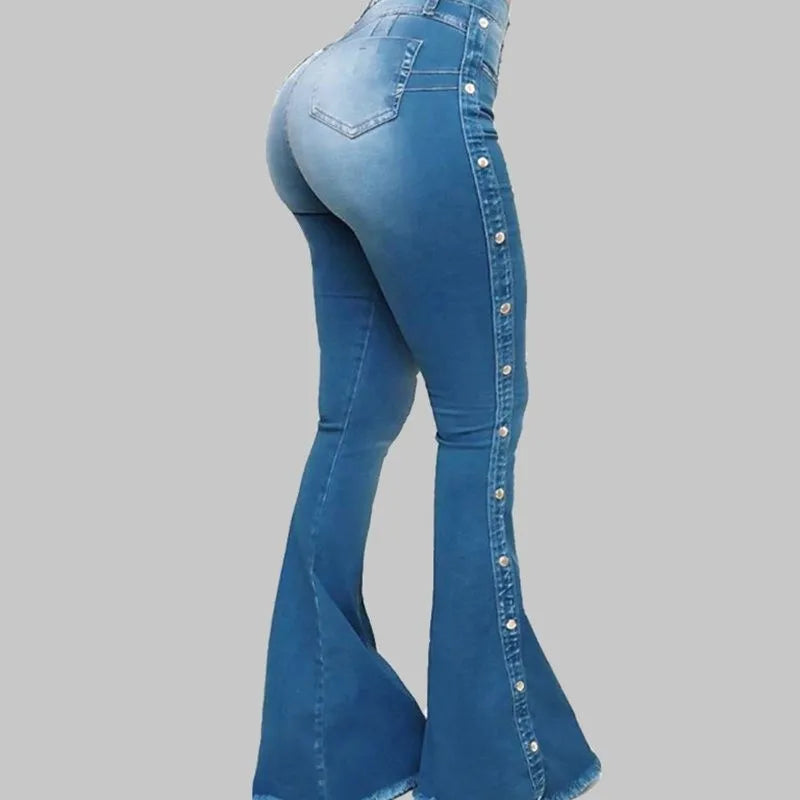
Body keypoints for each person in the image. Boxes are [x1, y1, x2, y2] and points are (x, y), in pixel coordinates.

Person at [252, 2, 601, 799]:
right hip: (411, 83)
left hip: (317, 89)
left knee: (351, 424)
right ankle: (490, 771)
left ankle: (322, 761)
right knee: (479, 425)